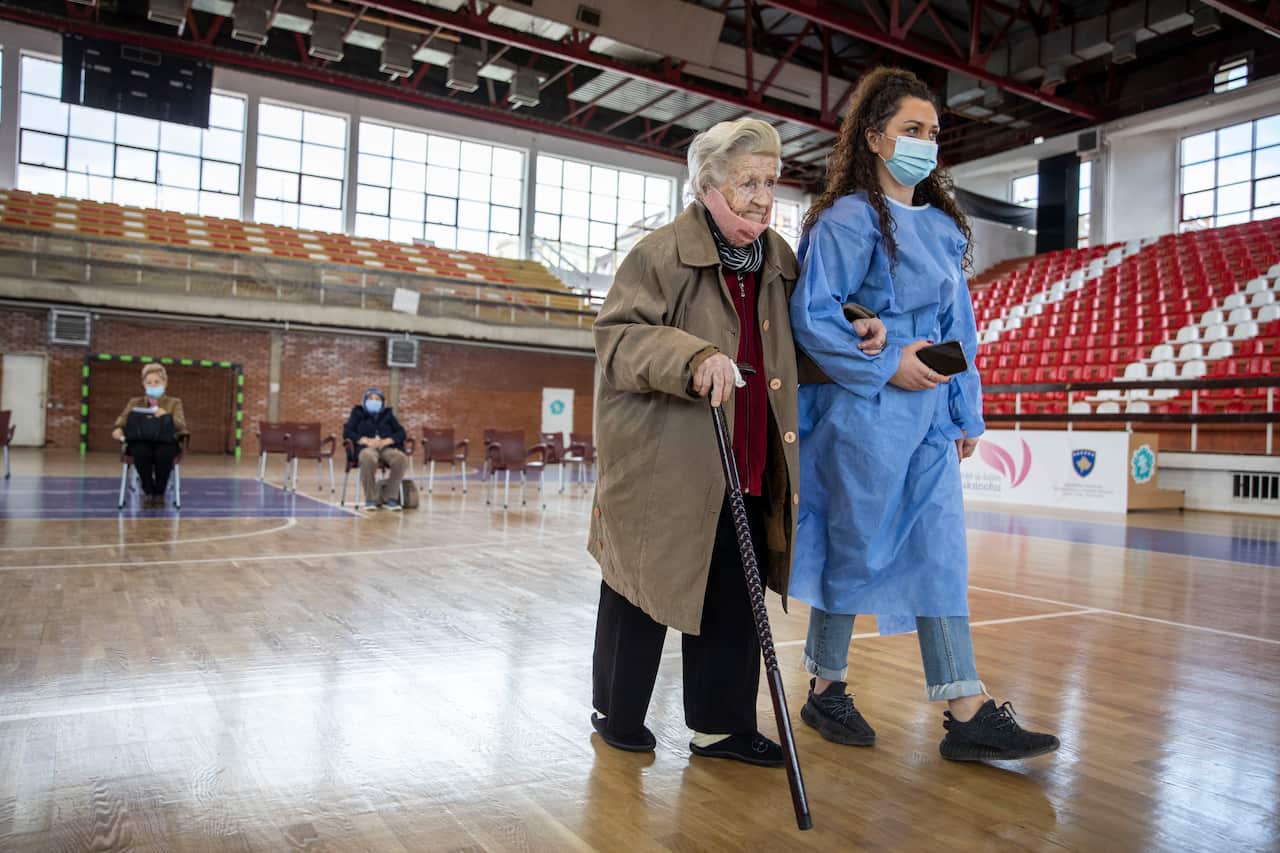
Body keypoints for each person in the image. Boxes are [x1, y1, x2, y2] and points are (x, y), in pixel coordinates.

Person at [588, 118, 885, 766]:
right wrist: (693, 356)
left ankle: (721, 726)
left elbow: (804, 333)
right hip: (665, 464)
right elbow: (619, 341)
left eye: (770, 181)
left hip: (747, 456)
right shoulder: (661, 253)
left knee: (734, 591)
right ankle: (618, 711)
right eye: (747, 180)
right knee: (641, 586)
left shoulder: (778, 260)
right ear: (709, 183)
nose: (761, 194)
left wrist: (853, 326)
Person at [788, 67, 1060, 762]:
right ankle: (825, 685)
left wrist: (965, 412)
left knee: (942, 551)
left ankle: (965, 707)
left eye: (933, 134)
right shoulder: (845, 220)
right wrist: (886, 363)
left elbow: (959, 327)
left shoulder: (941, 229)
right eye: (911, 130)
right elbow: (815, 316)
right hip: (863, 414)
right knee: (854, 546)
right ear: (874, 138)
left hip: (930, 417)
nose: (925, 144)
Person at [112, 363, 187, 509]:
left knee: (163, 454)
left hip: (165, 441)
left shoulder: (174, 403)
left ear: (165, 383)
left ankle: (159, 493)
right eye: (149, 382)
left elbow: (181, 425)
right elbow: (121, 421)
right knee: (141, 452)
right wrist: (118, 430)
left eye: (157, 382)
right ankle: (148, 492)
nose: (153, 385)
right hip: (141, 441)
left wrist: (167, 415)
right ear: (144, 384)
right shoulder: (135, 402)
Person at [343, 387, 408, 511]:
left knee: (401, 458)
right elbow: (347, 431)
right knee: (367, 457)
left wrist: (388, 440)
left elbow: (401, 432)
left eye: (377, 399)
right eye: (370, 398)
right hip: (367, 448)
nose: (374, 401)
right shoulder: (358, 413)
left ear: (382, 402)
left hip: (385, 447)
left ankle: (390, 498)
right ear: (365, 401)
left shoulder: (388, 415)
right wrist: (365, 440)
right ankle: (371, 499)